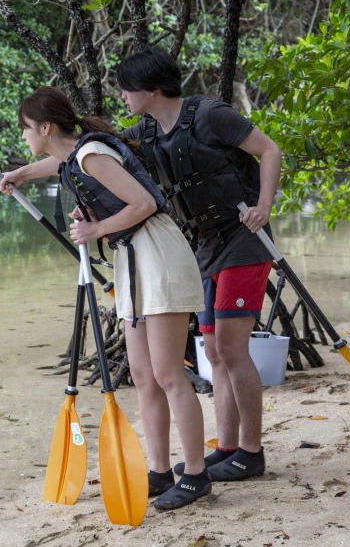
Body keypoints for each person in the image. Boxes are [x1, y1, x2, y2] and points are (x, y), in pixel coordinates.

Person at [0, 86, 210, 510]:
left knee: (169, 375)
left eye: (25, 129)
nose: (24, 137)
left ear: (46, 127)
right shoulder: (76, 154)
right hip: (133, 258)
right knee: (144, 377)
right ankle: (161, 471)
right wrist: (20, 175)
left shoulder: (91, 152)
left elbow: (146, 202)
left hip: (157, 254)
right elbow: (58, 160)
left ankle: (197, 475)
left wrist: (96, 229)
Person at [116, 46, 282, 482]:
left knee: (230, 348)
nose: (122, 97)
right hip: (204, 247)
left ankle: (252, 450)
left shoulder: (211, 116)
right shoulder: (148, 133)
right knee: (211, 351)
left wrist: (264, 205)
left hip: (245, 239)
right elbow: (94, 152)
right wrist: (23, 173)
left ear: (152, 89)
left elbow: (269, 150)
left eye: (126, 88)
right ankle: (227, 447)